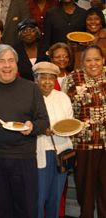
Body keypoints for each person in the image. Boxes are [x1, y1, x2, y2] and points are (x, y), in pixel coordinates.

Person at [0, 44, 50, 218]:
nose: (7, 65)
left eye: (11, 61)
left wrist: (32, 127)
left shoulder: (31, 89)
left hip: (24, 159)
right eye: (2, 61)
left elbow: (44, 121)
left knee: (26, 208)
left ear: (17, 63)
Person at [63, 45, 106, 218]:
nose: (93, 63)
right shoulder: (74, 78)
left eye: (97, 59)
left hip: (105, 144)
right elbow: (66, 111)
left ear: (103, 60)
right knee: (84, 190)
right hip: (83, 144)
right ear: (82, 62)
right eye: (88, 60)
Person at [32, 61, 74, 218]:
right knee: (38, 198)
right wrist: (43, 130)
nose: (47, 82)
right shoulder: (30, 96)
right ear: (35, 78)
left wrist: (61, 129)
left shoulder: (63, 97)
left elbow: (69, 122)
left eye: (52, 78)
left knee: (55, 198)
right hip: (39, 154)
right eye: (43, 77)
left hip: (61, 153)